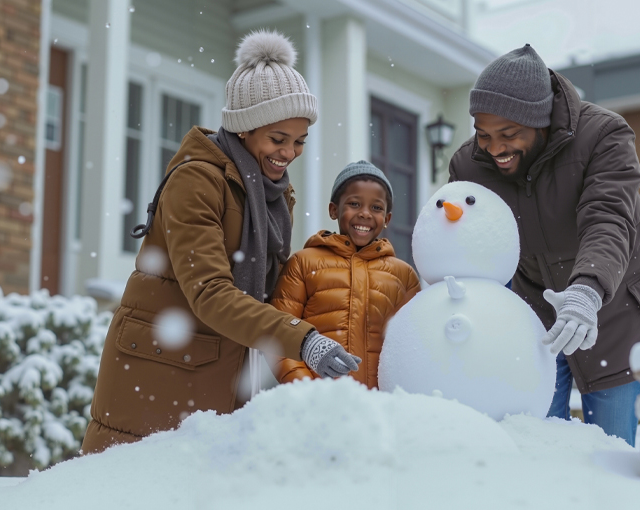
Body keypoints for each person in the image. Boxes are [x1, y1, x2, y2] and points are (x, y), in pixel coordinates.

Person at [82, 31, 361, 454]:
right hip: (160, 370)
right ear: (244, 128)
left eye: (299, 141)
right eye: (278, 138)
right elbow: (211, 294)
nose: (289, 153)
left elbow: (270, 292)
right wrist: (301, 339)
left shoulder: (269, 193)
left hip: (219, 368)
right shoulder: (197, 181)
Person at [448, 44, 640, 446]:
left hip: (616, 304)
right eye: (484, 135)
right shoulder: (469, 165)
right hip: (535, 311)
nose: (494, 148)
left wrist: (586, 291)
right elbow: (468, 246)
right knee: (539, 441)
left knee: (613, 447)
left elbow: (607, 218)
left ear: (541, 121)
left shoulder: (603, 136)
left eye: (509, 135)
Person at [270, 161, 421, 388]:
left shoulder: (404, 276)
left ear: (387, 219)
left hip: (381, 408)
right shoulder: (303, 263)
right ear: (333, 210)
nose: (365, 214)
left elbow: (413, 345)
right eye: (354, 203)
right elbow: (280, 333)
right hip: (318, 404)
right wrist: (305, 389)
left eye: (376, 208)